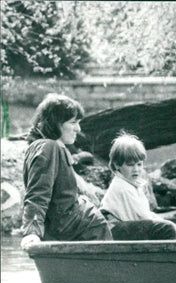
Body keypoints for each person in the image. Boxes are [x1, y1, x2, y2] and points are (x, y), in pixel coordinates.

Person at [20, 94, 112, 249]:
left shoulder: (47, 147)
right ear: (55, 123)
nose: (78, 128)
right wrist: (32, 231)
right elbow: (38, 193)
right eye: (73, 122)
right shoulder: (48, 148)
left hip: (83, 232)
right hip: (83, 234)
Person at [100, 132, 176, 240]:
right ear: (117, 165)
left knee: (168, 227)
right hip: (113, 231)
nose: (136, 169)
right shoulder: (122, 187)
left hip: (120, 227)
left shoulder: (131, 184)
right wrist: (167, 225)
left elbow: (145, 214)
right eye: (130, 165)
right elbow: (143, 216)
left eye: (139, 164)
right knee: (167, 228)